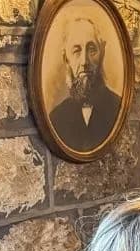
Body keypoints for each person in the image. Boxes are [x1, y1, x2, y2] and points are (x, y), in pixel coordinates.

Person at [47, 15, 122, 153]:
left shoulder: (119, 108)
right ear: (66, 59)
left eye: (91, 49)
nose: (84, 62)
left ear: (102, 52)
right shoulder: (56, 118)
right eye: (76, 50)